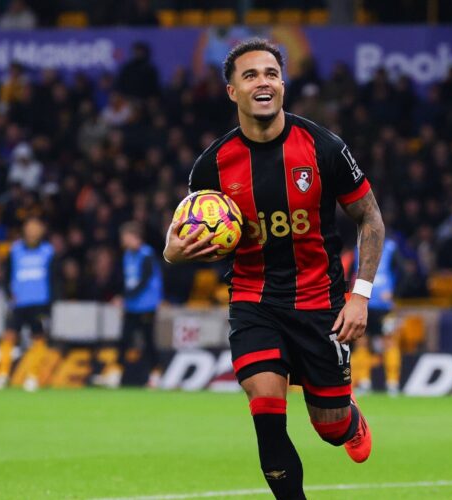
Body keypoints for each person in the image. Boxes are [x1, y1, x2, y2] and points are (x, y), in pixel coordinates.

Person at [163, 39, 385, 499]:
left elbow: (370, 218)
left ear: (282, 84)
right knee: (266, 409)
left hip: (321, 304)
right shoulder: (211, 167)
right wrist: (174, 251)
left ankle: (348, 418)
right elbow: (177, 242)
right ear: (232, 92)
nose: (262, 82)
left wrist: (360, 295)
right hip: (254, 301)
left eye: (271, 73)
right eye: (250, 75)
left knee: (332, 429)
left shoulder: (323, 147)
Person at [0, 217, 56, 392]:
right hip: (19, 303)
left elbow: (54, 279)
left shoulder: (48, 251)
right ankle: (2, 375)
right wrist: (8, 294)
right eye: (30, 227)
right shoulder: (15, 250)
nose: (33, 231)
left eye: (37, 227)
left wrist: (51, 304)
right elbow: (7, 275)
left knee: (38, 339)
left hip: (39, 303)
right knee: (8, 336)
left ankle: (33, 377)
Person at [105, 222, 163, 388]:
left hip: (147, 306)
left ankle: (155, 375)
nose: (123, 241)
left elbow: (144, 282)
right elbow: (128, 281)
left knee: (148, 341)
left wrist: (123, 297)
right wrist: (123, 298)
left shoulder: (147, 255)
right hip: (132, 306)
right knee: (124, 340)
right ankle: (116, 374)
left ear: (134, 237)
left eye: (126, 237)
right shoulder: (127, 256)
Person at [350, 235, 402, 396]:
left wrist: (395, 292)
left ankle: (392, 383)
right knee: (362, 342)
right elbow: (351, 274)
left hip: (384, 307)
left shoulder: (391, 249)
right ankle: (364, 382)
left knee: (389, 341)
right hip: (364, 305)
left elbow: (405, 271)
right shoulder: (357, 249)